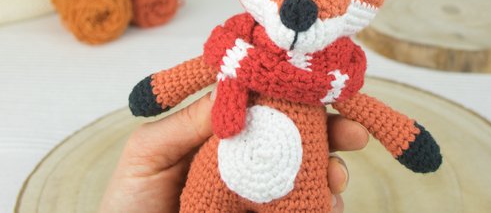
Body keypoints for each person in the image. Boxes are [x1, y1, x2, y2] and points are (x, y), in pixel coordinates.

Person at [100, 90, 369, 213]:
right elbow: (199, 69)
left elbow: (363, 107)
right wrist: (157, 91)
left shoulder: (331, 75)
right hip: (221, 170)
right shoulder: (240, 50)